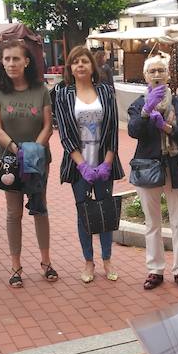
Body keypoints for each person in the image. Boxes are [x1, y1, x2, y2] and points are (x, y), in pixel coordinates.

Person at [0, 39, 56, 288]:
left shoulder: (41, 90)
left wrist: (34, 150)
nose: (11, 63)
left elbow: (48, 125)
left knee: (40, 208)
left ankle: (46, 262)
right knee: (14, 213)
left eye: (16, 58)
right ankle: (16, 266)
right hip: (9, 160)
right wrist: (19, 151)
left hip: (38, 160)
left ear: (27, 62)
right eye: (7, 59)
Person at [54, 45, 123, 283]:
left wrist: (107, 162)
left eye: (84, 61)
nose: (80, 65)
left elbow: (113, 128)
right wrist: (82, 165)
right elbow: (64, 133)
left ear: (92, 66)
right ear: (70, 68)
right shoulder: (63, 94)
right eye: (75, 62)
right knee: (84, 214)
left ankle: (107, 259)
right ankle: (88, 262)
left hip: (104, 161)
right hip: (78, 165)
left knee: (105, 211)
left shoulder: (105, 91)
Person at [127, 55, 178, 291]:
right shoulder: (138, 103)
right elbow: (134, 131)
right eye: (152, 71)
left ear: (168, 75)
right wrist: (146, 111)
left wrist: (166, 127)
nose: (156, 74)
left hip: (176, 167)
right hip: (148, 168)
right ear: (145, 76)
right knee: (152, 223)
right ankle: (155, 269)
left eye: (161, 70)